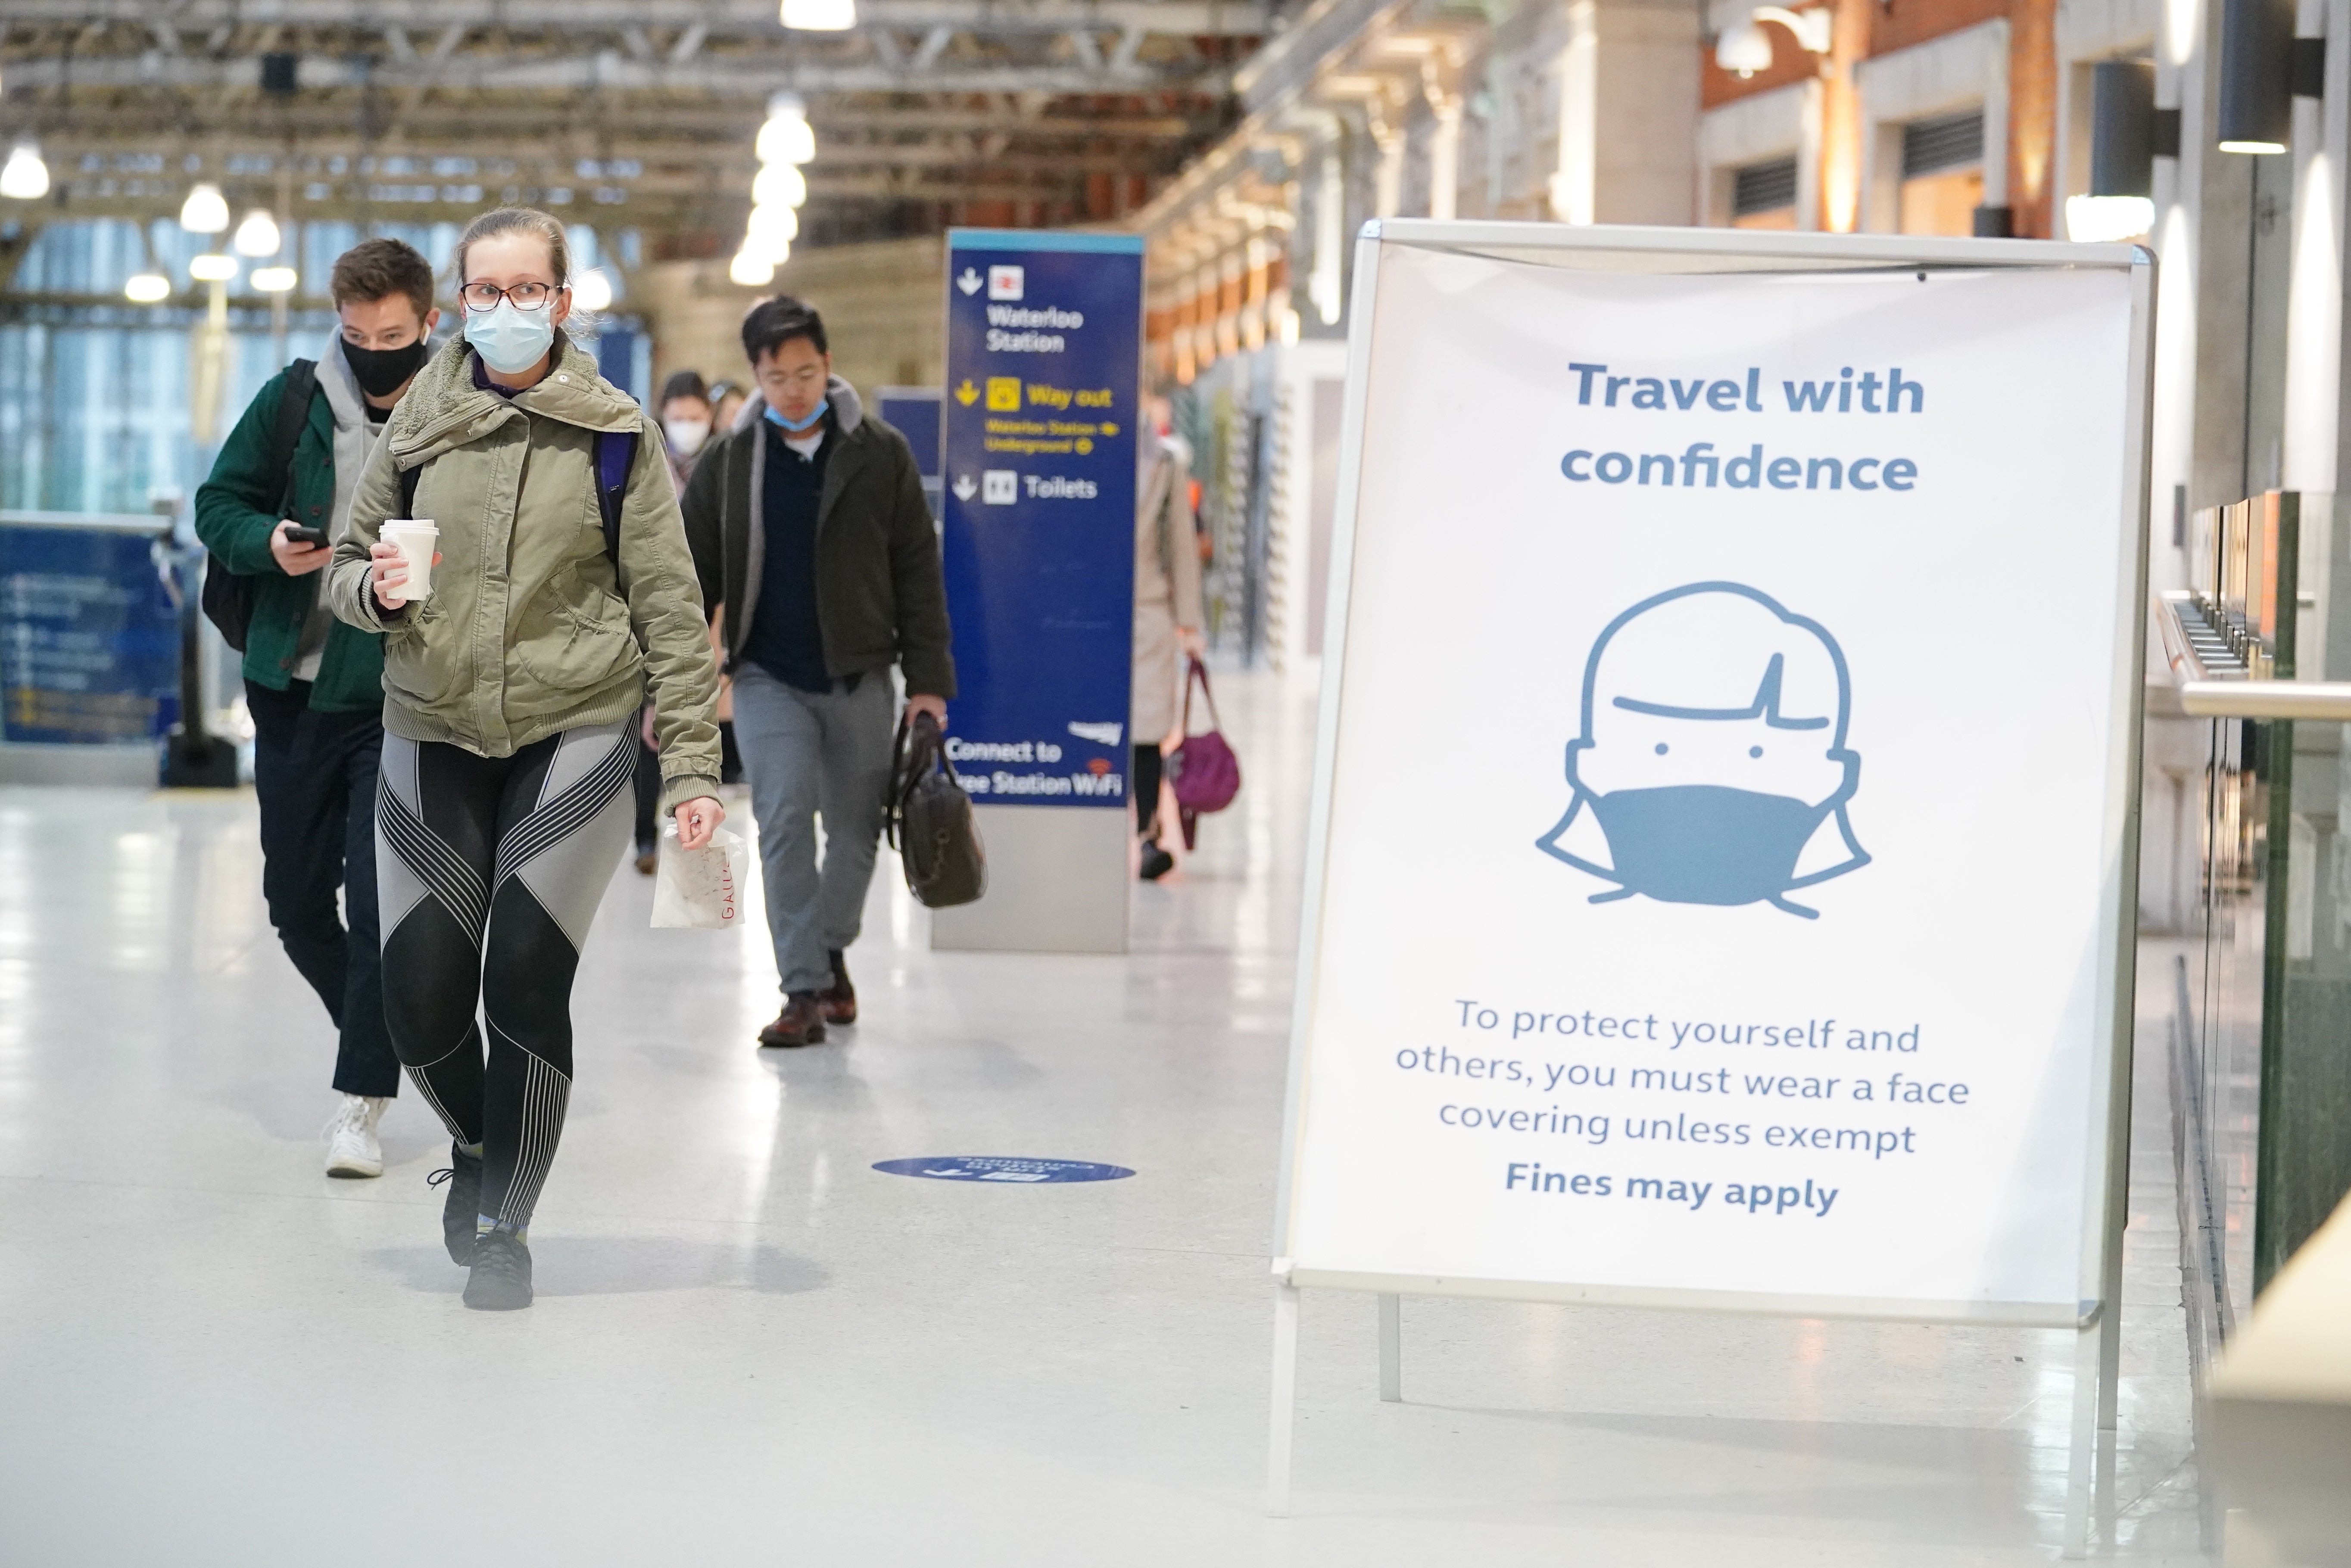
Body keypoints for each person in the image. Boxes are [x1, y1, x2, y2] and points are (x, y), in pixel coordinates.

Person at [325, 207, 724, 1310]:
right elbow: (346, 570)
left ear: (563, 299)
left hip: (580, 723)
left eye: (527, 289)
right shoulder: (415, 428)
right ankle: (479, 1136)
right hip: (432, 723)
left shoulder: (614, 433)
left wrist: (690, 771)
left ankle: (505, 1218)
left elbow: (670, 610)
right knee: (418, 1002)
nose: (507, 309)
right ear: (458, 304)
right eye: (486, 291)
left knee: (525, 979)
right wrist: (375, 589)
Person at [194, 237, 440, 1179]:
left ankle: (360, 1102)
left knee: (380, 906)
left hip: (395, 697)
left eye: (390, 333)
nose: (372, 349)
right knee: (296, 904)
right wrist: (267, 541)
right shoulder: (292, 399)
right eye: (355, 332)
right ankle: (393, 1037)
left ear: (428, 323)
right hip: (288, 690)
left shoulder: (451, 417)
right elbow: (219, 504)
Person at [680, 295, 954, 1048]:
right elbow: (690, 580)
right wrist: (666, 686)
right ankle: (801, 987)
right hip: (768, 675)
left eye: (806, 373)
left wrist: (928, 685)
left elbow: (917, 572)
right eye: (777, 378)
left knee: (861, 831)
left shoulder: (880, 452)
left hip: (863, 675)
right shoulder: (729, 464)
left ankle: (830, 947)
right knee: (783, 823)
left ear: (828, 366)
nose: (793, 390)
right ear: (757, 377)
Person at [630, 369, 719, 874]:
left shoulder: (719, 463)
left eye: (695, 417)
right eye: (678, 417)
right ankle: (646, 839)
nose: (686, 426)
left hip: (706, 609)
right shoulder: (649, 460)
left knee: (695, 722)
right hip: (650, 612)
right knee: (651, 729)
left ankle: (694, 829)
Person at [1132, 399, 1206, 881]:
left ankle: (1146, 836)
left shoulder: (1163, 464)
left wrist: (1189, 622)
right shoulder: (1081, 448)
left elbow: (1181, 543)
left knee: (1146, 732)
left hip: (1148, 612)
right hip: (1083, 618)